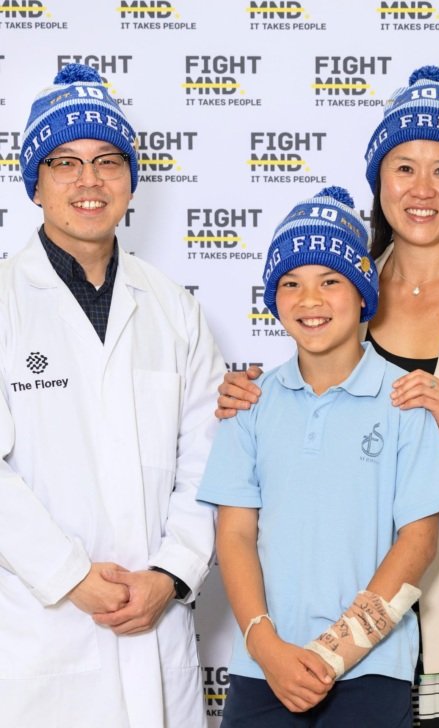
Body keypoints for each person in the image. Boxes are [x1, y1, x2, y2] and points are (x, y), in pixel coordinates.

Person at [216, 66, 439, 728]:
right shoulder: (339, 288)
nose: (422, 189)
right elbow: (306, 397)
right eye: (404, 168)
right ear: (378, 181)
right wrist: (244, 393)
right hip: (351, 616)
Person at [0, 64, 225, 727]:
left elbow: (209, 461)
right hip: (42, 635)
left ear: (130, 180)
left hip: (158, 631)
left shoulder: (174, 308)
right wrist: (70, 574)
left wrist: (171, 572)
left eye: (106, 161)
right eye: (65, 163)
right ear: (35, 185)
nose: (89, 180)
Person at [197, 185, 439, 727]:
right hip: (262, 667)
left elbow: (418, 539)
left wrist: (335, 651)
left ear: (363, 293)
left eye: (330, 281)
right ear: (273, 300)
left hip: (369, 667)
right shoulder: (248, 403)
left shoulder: (403, 401)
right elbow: (235, 535)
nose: (310, 300)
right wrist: (266, 646)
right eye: (291, 284)